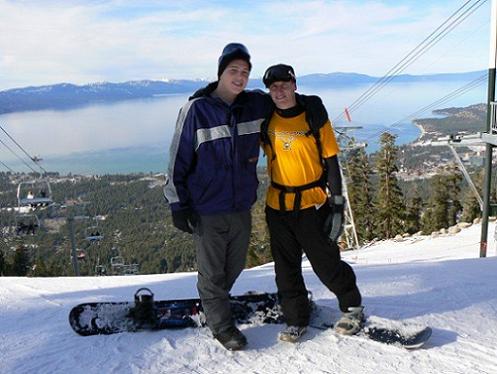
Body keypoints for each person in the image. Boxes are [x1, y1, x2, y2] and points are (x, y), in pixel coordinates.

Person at [163, 43, 274, 351]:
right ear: (221, 73)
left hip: (240, 206)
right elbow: (177, 161)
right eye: (233, 71)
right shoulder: (196, 110)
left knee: (234, 266)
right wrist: (177, 203)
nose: (240, 77)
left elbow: (285, 102)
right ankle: (222, 326)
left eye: (245, 72)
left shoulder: (255, 105)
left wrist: (310, 105)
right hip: (207, 208)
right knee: (212, 272)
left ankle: (212, 305)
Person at [261, 64, 364, 343]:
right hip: (277, 205)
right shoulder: (266, 118)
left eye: (284, 85)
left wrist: (339, 203)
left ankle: (352, 306)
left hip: (311, 204)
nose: (279, 91)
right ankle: (296, 319)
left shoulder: (314, 116)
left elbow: (331, 162)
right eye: (273, 87)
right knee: (285, 268)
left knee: (326, 262)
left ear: (294, 85)